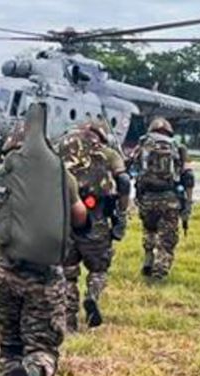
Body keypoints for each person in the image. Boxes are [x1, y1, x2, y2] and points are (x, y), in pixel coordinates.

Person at [0, 113, 88, 376]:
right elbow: (81, 218)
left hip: (1, 272)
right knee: (43, 346)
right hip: (45, 275)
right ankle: (34, 372)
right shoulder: (61, 176)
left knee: (9, 344)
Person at [56, 118, 132, 330]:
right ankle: (92, 296)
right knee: (99, 269)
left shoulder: (60, 148)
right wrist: (122, 213)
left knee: (67, 272)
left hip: (64, 220)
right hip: (96, 218)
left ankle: (69, 322)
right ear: (101, 135)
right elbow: (124, 182)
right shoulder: (108, 154)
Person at [131, 116, 194, 281]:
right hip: (169, 199)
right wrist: (188, 202)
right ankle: (160, 270)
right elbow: (188, 176)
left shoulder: (143, 145)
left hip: (146, 199)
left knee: (149, 230)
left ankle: (149, 256)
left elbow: (128, 165)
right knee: (167, 237)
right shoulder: (179, 147)